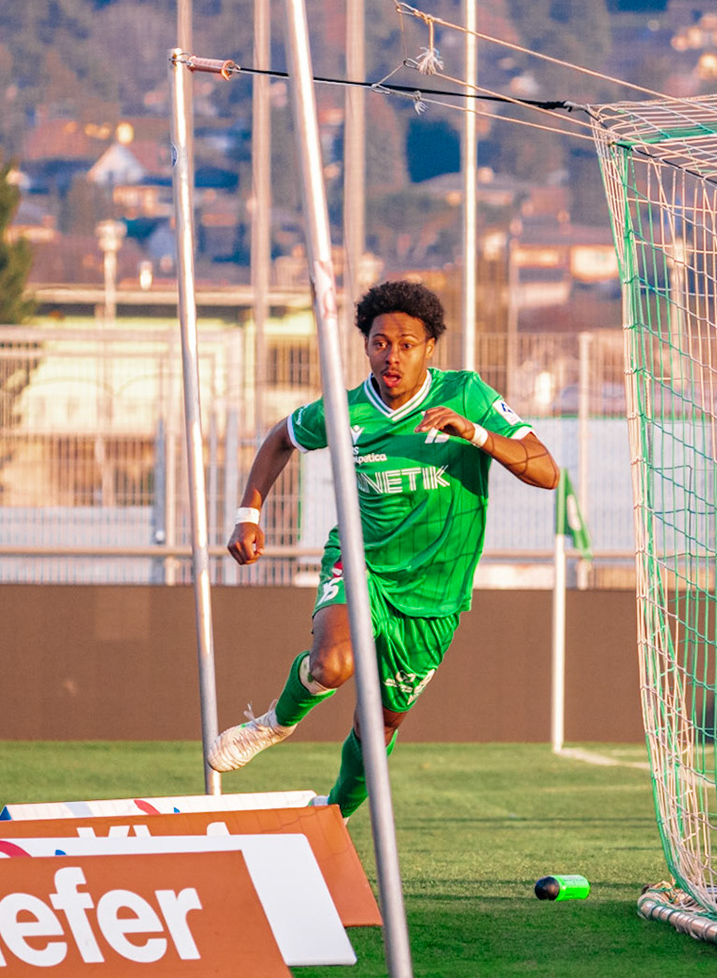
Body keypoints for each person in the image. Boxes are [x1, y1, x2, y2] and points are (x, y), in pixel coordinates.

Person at [213, 280, 560, 814]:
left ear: (429, 348)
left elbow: (546, 472)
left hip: (435, 594)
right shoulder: (348, 409)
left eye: (405, 344)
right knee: (331, 666)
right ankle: (274, 723)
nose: (391, 356)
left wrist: (477, 435)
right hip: (361, 562)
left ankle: (333, 818)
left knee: (377, 727)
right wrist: (248, 514)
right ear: (366, 345)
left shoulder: (465, 395)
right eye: (379, 343)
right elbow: (280, 437)